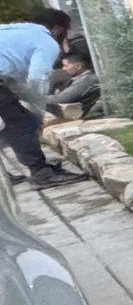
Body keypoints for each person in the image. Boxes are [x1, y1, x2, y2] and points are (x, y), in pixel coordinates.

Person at [0, 9, 86, 186]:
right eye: (66, 31)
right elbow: (37, 78)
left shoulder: (17, 32)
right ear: (57, 29)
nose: (66, 37)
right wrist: (38, 112)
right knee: (22, 124)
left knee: (13, 121)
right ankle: (42, 173)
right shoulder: (46, 41)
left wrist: (32, 101)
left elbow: (14, 82)